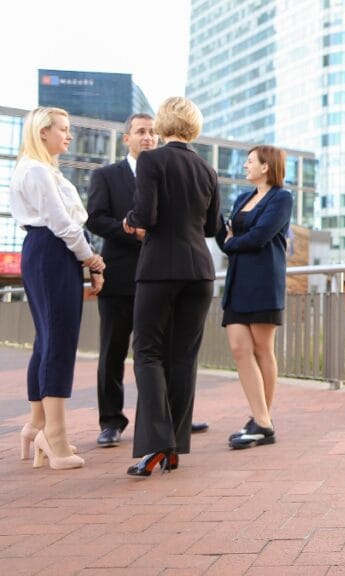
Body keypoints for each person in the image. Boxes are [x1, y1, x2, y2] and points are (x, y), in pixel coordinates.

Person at [122, 97, 220, 477]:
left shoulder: (151, 160)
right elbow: (211, 227)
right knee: (183, 358)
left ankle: (157, 444)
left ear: (163, 124)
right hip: (200, 271)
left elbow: (145, 216)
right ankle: (174, 447)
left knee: (147, 353)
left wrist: (130, 221)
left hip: (159, 268)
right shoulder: (207, 168)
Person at [10, 107, 105, 470]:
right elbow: (63, 223)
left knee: (47, 339)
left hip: (43, 250)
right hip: (52, 250)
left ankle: (38, 426)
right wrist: (91, 259)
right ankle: (55, 436)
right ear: (43, 132)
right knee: (59, 341)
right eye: (63, 129)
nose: (69, 135)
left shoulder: (35, 168)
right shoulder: (37, 170)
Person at [215, 145, 293, 450]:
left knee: (262, 349)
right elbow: (226, 237)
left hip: (263, 281)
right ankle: (262, 421)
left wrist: (232, 243)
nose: (245, 166)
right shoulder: (242, 199)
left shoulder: (281, 198)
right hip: (237, 281)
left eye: (250, 162)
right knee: (239, 348)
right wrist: (229, 238)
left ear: (266, 166)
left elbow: (260, 237)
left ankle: (262, 421)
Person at [86, 114, 154, 447]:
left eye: (153, 132)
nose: (148, 137)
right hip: (120, 276)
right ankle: (111, 421)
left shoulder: (165, 175)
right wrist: (131, 232)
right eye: (141, 132)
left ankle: (164, 417)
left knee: (157, 352)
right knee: (113, 351)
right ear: (126, 138)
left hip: (158, 276)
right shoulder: (106, 175)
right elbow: (95, 219)